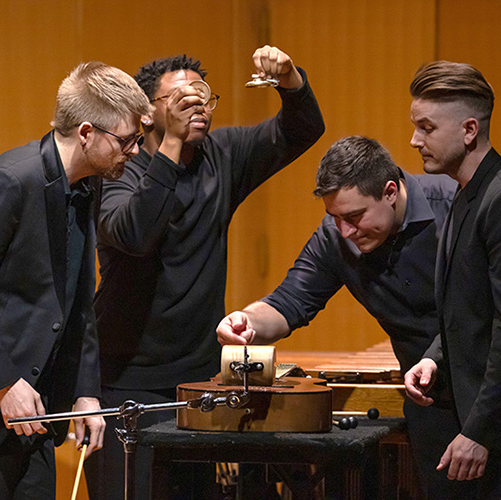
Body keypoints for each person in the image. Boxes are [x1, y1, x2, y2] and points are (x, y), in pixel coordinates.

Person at [84, 46, 324, 499]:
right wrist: (171, 146)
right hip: (125, 378)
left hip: (197, 381)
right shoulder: (118, 168)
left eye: (202, 96)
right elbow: (135, 233)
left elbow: (303, 128)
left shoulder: (223, 156)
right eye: (179, 99)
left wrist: (291, 79)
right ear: (147, 114)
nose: (195, 105)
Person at [217, 135, 481, 498]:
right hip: (429, 400)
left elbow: (494, 307)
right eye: (335, 218)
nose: (346, 231)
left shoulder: (457, 205)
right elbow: (290, 301)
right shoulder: (337, 238)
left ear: (390, 191)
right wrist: (245, 322)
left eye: (355, 216)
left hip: (494, 389)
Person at [0, 62, 152, 499]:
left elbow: (78, 303)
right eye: (127, 140)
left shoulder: (87, 185)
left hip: (39, 422)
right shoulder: (12, 181)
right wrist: (4, 383)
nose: (136, 152)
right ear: (87, 132)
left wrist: (86, 393)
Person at [404, 61, 501, 498]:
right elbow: (468, 307)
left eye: (426, 128)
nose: (414, 140)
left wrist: (481, 431)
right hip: (493, 428)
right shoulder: (469, 192)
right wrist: (434, 357)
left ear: (469, 130)